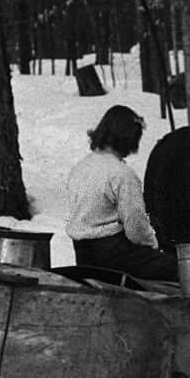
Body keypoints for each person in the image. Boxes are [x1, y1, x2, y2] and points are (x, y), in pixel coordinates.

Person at [65, 105, 177, 281]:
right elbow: (135, 226)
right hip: (114, 257)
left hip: (83, 254)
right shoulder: (121, 173)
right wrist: (153, 244)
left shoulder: (80, 168)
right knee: (178, 268)